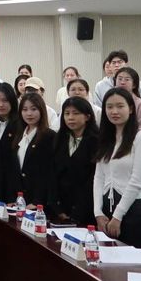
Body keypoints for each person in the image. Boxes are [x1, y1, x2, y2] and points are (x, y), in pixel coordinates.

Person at [93, 88, 141, 248]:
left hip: (132, 209)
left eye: (120, 106)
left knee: (132, 259)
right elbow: (99, 177)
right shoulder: (106, 138)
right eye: (109, 107)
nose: (114, 111)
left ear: (131, 109)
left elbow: (137, 180)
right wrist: (98, 212)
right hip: (107, 208)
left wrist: (118, 216)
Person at [52, 97, 99, 226]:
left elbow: (94, 178)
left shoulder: (96, 141)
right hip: (61, 206)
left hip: (86, 207)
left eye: (76, 113)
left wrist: (79, 209)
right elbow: (53, 173)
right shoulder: (59, 139)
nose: (70, 118)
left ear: (87, 117)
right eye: (67, 113)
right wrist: (57, 207)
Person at [8, 93, 55, 210]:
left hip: (37, 203)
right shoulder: (18, 134)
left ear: (41, 110)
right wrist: (14, 198)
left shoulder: (49, 136)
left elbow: (48, 173)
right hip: (20, 200)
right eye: (25, 109)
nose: (29, 113)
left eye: (34, 109)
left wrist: (37, 201)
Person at [113, 67, 141, 173]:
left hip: (135, 152)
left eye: (127, 79)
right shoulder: (110, 103)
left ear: (134, 85)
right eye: (119, 79)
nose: (122, 82)